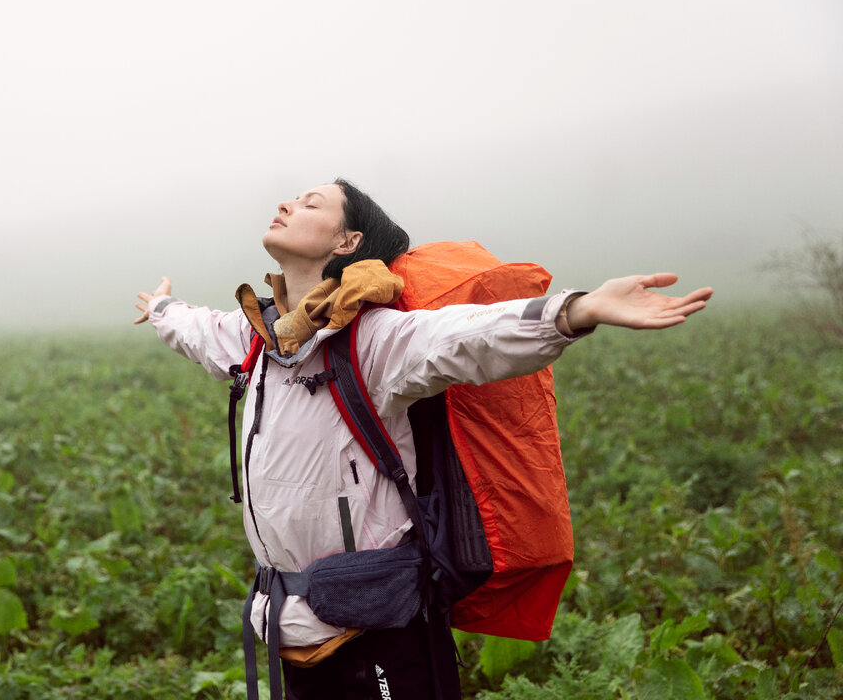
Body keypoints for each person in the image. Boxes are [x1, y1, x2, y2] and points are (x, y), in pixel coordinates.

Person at [133, 179, 712, 700]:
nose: (285, 202)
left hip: (380, 626)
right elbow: (196, 329)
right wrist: (162, 308)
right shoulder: (257, 338)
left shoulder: (373, 339)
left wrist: (576, 310)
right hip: (292, 624)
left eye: (311, 203)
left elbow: (467, 337)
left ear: (347, 241)